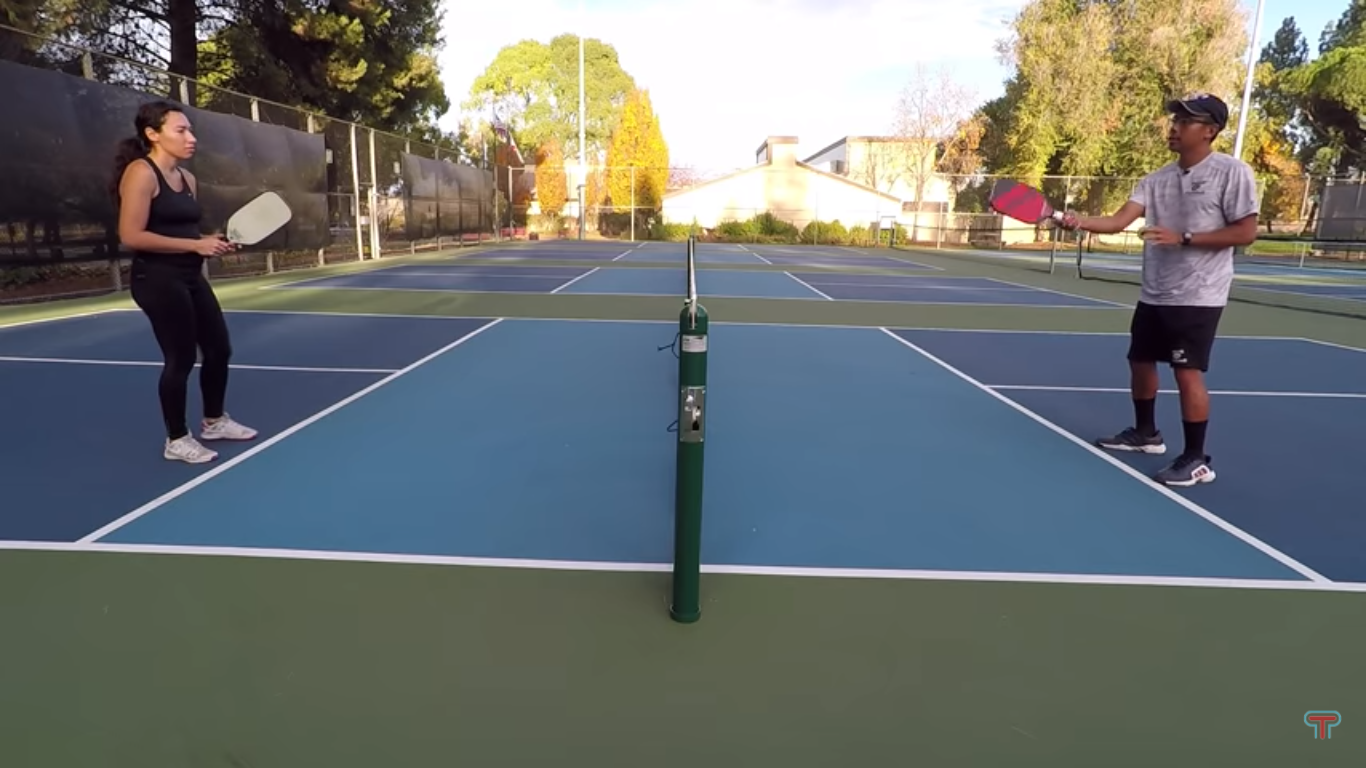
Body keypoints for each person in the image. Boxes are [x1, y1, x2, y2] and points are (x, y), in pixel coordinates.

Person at [1058, 93, 1259, 487]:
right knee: (1140, 360)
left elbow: (1245, 232)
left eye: (1185, 121)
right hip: (1155, 291)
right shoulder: (1155, 180)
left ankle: (1197, 458)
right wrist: (1076, 220)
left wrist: (1184, 238)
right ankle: (1146, 433)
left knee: (1186, 372)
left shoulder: (1232, 172)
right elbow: (1117, 221)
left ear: (1210, 130)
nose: (1175, 127)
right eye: (1174, 120)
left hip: (1199, 293)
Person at [111, 100, 258, 464]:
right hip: (156, 278)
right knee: (181, 359)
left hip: (190, 276)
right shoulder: (140, 173)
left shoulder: (188, 179)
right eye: (181, 130)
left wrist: (211, 240)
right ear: (153, 134)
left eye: (190, 130)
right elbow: (131, 235)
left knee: (219, 349)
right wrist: (195, 245)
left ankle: (214, 421)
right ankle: (176, 439)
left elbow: (186, 232)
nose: (191, 138)